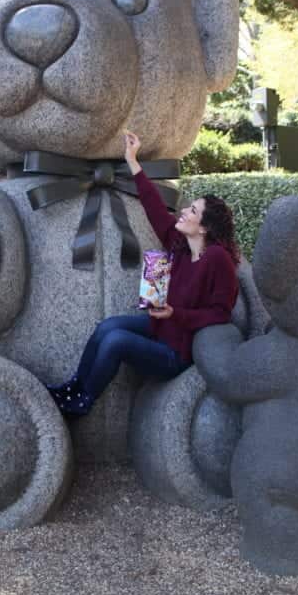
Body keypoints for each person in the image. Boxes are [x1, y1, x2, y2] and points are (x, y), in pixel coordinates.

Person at [46, 131, 240, 416]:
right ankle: (73, 387)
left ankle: (83, 401)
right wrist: (132, 160)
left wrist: (176, 314)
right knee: (107, 327)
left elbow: (220, 314)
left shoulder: (217, 259)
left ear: (205, 227)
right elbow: (154, 207)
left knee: (116, 341)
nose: (184, 211)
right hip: (160, 329)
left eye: (193, 211)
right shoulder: (181, 246)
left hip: (177, 352)